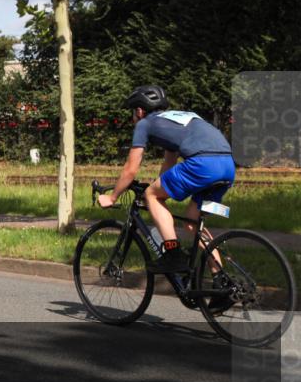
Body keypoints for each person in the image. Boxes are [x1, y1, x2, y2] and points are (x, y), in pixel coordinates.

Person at [98, 86, 236, 283]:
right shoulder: (181, 117)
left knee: (151, 195)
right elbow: (169, 163)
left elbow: (131, 168)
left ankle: (173, 255)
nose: (133, 118)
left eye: (133, 112)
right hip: (227, 166)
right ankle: (221, 280)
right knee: (191, 222)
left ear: (139, 111)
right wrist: (158, 189)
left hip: (203, 164)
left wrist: (112, 197)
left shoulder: (144, 124)